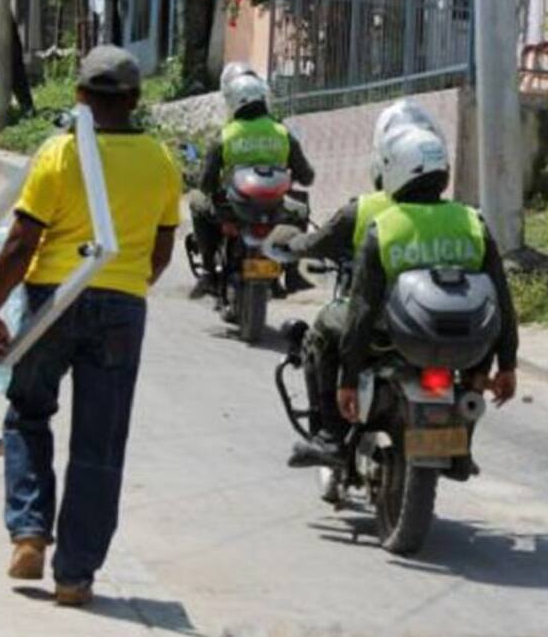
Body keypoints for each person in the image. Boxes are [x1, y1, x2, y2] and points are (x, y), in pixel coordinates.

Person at [0, 45, 182, 607]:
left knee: (27, 414)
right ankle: (75, 575)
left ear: (79, 96)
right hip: (121, 306)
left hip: (52, 301)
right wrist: (127, 285)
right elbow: (162, 249)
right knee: (100, 443)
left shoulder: (61, 153)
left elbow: (21, 241)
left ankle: (29, 530)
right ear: (136, 99)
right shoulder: (162, 161)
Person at [270, 100, 448, 467]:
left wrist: (289, 245)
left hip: (378, 325)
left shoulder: (364, 211)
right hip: (431, 325)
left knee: (321, 332)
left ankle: (330, 435)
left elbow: (316, 245)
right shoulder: (459, 215)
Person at [337, 126, 519, 428]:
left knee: (324, 330)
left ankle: (330, 435)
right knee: (476, 367)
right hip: (466, 348)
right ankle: (462, 440)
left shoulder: (384, 228)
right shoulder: (473, 223)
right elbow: (501, 301)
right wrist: (508, 365)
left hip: (393, 342)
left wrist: (348, 381)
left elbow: (362, 310)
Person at [189, 66, 315, 297]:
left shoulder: (225, 136)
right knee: (301, 209)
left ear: (234, 102)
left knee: (196, 201)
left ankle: (208, 272)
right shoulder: (281, 132)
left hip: (235, 208)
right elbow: (307, 176)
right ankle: (293, 272)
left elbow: (206, 184)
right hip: (274, 208)